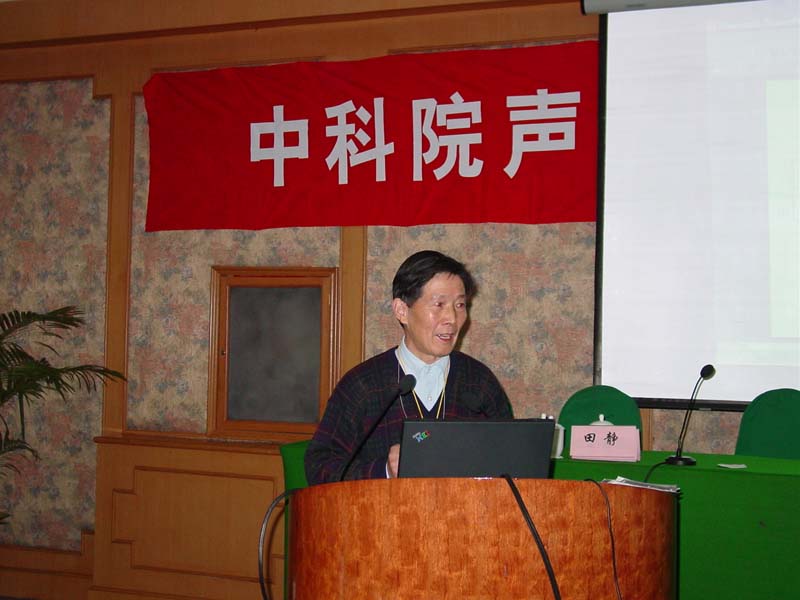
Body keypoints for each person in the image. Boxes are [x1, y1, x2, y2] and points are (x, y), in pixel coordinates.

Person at [304, 250, 513, 485]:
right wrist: (384, 470)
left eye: (460, 305)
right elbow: (319, 468)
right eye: (439, 304)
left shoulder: (479, 381)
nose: (452, 319)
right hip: (383, 509)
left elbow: (513, 463)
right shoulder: (363, 385)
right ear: (402, 311)